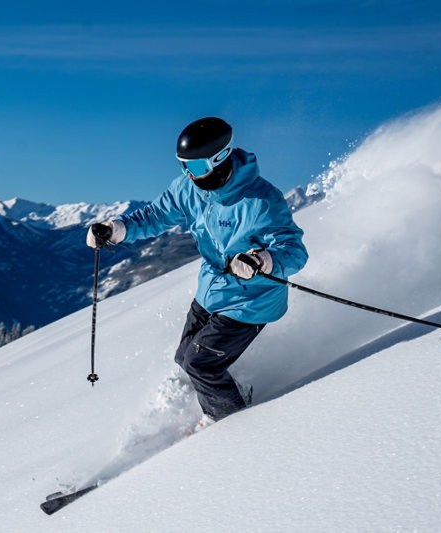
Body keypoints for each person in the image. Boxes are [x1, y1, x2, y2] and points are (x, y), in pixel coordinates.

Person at [86, 117, 308, 430]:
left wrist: (263, 261)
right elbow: (156, 215)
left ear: (220, 159)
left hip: (251, 301)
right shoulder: (188, 188)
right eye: (185, 166)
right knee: (184, 358)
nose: (191, 175)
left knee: (200, 363)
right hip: (211, 291)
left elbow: (294, 250)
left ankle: (229, 424)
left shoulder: (261, 201)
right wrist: (116, 229)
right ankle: (232, 396)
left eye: (198, 167)